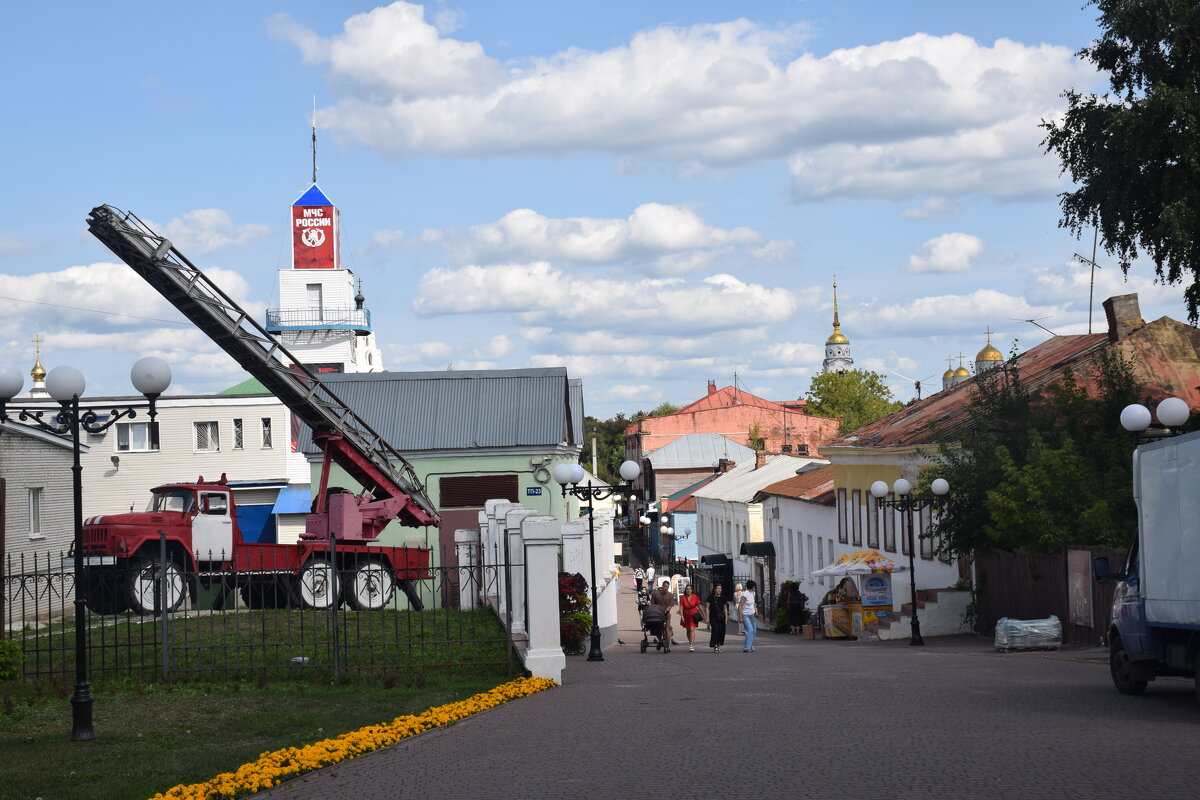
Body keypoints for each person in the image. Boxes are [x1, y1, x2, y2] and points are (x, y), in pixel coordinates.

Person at [649, 578, 676, 644]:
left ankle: (667, 643)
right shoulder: (656, 594)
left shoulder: (670, 595)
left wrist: (666, 611)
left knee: (667, 628)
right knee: (658, 629)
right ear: (662, 586)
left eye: (668, 587)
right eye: (665, 586)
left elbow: (670, 605)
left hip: (666, 614)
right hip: (657, 614)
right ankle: (660, 640)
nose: (666, 588)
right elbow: (652, 604)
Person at [678, 583, 703, 652]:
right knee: (688, 630)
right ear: (685, 590)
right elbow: (681, 607)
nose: (688, 590)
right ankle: (690, 642)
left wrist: (704, 614)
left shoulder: (695, 597)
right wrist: (682, 616)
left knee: (692, 628)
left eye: (690, 589)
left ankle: (691, 645)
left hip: (693, 615)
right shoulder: (682, 597)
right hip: (686, 615)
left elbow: (699, 606)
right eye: (687, 589)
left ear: (692, 590)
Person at [705, 583, 728, 652]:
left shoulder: (723, 598)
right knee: (715, 630)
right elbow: (707, 608)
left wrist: (726, 617)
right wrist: (707, 617)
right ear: (714, 589)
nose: (719, 590)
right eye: (718, 588)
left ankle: (718, 646)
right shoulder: (710, 597)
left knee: (721, 631)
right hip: (713, 617)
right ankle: (714, 645)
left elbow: (725, 608)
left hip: (721, 617)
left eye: (720, 588)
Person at [738, 579, 758, 652]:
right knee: (750, 631)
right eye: (754, 586)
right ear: (752, 587)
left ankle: (751, 645)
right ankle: (747, 648)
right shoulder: (745, 594)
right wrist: (740, 617)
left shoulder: (753, 593)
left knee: (754, 631)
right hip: (745, 615)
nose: (754, 588)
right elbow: (740, 606)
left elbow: (753, 603)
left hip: (752, 615)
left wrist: (755, 609)